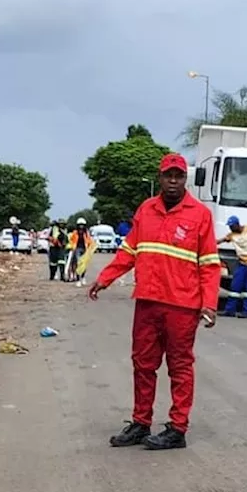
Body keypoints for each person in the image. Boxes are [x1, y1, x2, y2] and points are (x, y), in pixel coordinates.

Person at [89, 153, 221, 450]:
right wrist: (105, 278)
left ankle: (177, 428)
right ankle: (140, 422)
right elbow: (129, 251)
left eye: (178, 176)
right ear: (160, 178)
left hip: (182, 306)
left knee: (180, 366)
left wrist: (209, 304)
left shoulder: (200, 215)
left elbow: (210, 264)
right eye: (168, 176)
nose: (173, 181)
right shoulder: (146, 211)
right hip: (148, 302)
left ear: (184, 179)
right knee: (143, 364)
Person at [220, 216, 247, 318]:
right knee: (235, 287)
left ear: (237, 224)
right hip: (242, 263)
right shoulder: (232, 235)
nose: (230, 228)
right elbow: (221, 240)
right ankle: (229, 310)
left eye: (232, 226)